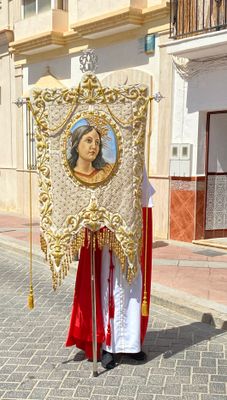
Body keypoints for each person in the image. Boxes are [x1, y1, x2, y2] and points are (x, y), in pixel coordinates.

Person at [65, 168, 154, 369]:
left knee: (132, 287)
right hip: (107, 238)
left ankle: (131, 345)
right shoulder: (102, 163)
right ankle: (108, 345)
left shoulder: (135, 155)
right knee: (109, 288)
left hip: (131, 232)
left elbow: (144, 196)